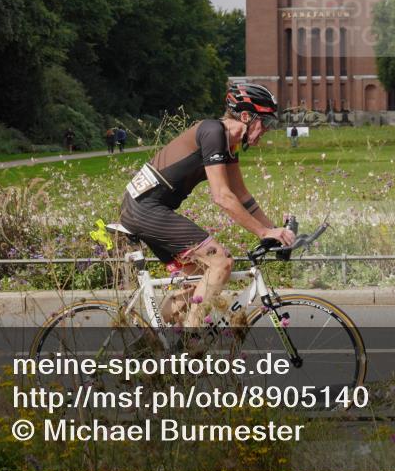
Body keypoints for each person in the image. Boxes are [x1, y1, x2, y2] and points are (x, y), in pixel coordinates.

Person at [118, 83, 295, 327]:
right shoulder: (213, 132)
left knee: (195, 281)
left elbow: (241, 195)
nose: (266, 130)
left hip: (147, 209)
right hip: (145, 209)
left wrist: (276, 232)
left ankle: (151, 344)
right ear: (246, 116)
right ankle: (192, 346)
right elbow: (222, 196)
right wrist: (264, 232)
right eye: (265, 122)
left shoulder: (228, 146)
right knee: (221, 262)